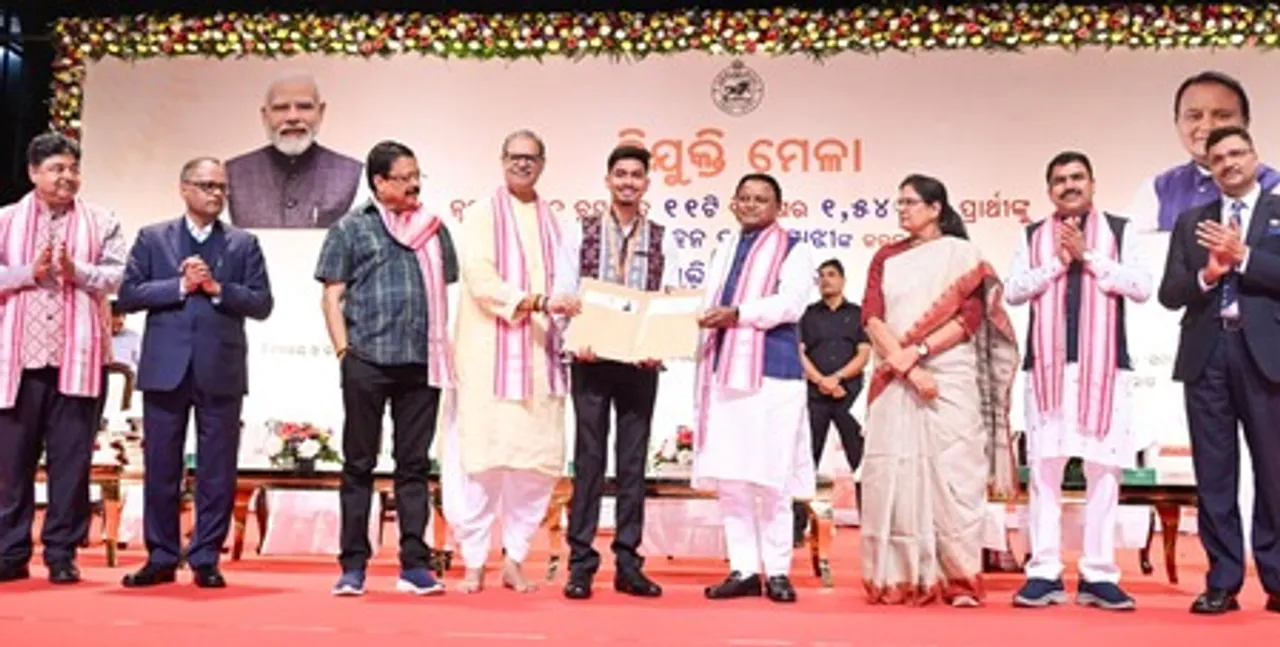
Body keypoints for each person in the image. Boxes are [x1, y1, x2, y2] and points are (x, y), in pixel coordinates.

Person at [859, 174, 1019, 607]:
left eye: (910, 202)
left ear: (935, 209)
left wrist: (919, 352)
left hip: (948, 375)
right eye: (899, 203)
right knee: (892, 474)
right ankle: (899, 577)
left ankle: (958, 578)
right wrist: (908, 367)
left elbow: (969, 319)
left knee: (954, 475)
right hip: (897, 375)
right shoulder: (886, 257)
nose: (902, 210)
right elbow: (872, 317)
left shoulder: (961, 255)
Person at [117, 157, 273, 588]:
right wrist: (181, 287)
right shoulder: (153, 238)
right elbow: (128, 294)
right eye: (207, 185)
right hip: (165, 369)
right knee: (161, 466)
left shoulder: (243, 243)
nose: (216, 194)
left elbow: (262, 303)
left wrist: (217, 289)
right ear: (184, 189)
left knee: (217, 469)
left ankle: (206, 557)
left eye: (222, 187)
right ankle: (161, 556)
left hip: (220, 368)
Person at [1006, 152, 1152, 611]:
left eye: (1077, 177)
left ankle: (1099, 574)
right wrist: (1057, 262)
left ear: (1092, 183)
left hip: (1105, 369)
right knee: (1044, 471)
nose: (1069, 186)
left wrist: (1087, 256)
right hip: (1046, 370)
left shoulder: (1121, 231)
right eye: (1059, 180)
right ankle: (1043, 571)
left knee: (1103, 471)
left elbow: (1141, 287)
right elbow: (1013, 291)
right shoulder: (1032, 235)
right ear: (1049, 190)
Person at [315, 141, 457, 596]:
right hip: (367, 361)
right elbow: (331, 296)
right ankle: (352, 567)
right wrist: (344, 353)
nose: (414, 185)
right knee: (358, 465)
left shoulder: (433, 228)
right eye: (404, 177)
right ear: (379, 182)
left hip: (421, 361)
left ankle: (415, 566)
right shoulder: (350, 228)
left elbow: (447, 283)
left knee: (414, 466)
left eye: (417, 176)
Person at [444, 130, 576, 594]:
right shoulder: (481, 214)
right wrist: (535, 301)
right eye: (515, 157)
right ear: (502, 161)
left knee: (535, 468)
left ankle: (515, 558)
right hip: (488, 358)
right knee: (482, 463)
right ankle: (473, 561)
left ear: (543, 163)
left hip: (541, 359)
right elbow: (479, 279)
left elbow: (571, 284)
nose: (523, 164)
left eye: (531, 157)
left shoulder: (556, 221)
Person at [1158, 126, 1280, 615]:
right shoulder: (1192, 221)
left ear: (1254, 157)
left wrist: (1244, 257)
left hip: (1265, 356)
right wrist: (1208, 275)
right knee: (1214, 474)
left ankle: (1277, 579)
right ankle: (1222, 581)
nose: (1229, 163)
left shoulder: (1278, 211)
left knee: (1274, 471)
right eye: (1219, 158)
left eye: (1237, 153)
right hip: (1206, 355)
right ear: (1208, 168)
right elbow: (1170, 293)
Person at [551, 145, 678, 600]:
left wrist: (659, 346)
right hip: (591, 360)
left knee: (632, 465)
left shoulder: (663, 237)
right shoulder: (580, 230)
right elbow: (563, 291)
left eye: (636, 175)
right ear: (608, 180)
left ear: (646, 183)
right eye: (620, 174)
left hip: (640, 364)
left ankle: (628, 563)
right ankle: (581, 565)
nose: (628, 182)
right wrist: (573, 337)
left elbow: (669, 299)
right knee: (588, 462)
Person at [0, 133, 126, 585]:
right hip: (16, 362)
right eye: (56, 168)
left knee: (71, 465)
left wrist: (78, 272)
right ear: (33, 172)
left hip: (79, 359)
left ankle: (61, 553)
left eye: (73, 168)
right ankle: (9, 552)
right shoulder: (5, 220)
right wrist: (25, 274)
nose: (67, 177)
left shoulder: (102, 221)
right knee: (10, 466)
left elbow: (120, 276)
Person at [693, 173, 813, 604]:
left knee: (772, 477)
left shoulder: (795, 249)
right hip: (725, 371)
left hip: (773, 374)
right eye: (744, 198)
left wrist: (738, 313)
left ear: (778, 207)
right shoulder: (724, 247)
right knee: (733, 477)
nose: (750, 205)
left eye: (761, 199)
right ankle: (743, 568)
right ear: (733, 203)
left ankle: (777, 570)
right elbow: (706, 303)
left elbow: (792, 303)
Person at [1130, 71, 1280, 234]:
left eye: (1222, 115)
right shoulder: (1157, 190)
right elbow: (1134, 246)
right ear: (1177, 122)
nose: (1207, 126)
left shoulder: (1274, 187)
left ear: (1245, 122)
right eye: (1194, 116)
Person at [225, 74, 364, 228]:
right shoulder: (232, 174)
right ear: (265, 115)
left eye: (304, 107)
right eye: (281, 108)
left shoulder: (354, 175)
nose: (292, 117)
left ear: (321, 112)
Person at [795, 258, 870, 544]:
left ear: (843, 280)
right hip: (815, 395)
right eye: (822, 276)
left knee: (860, 459)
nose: (826, 280)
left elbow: (864, 354)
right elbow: (800, 353)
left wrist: (836, 379)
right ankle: (796, 528)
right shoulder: (807, 315)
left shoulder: (858, 314)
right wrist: (821, 381)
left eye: (832, 274)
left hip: (849, 396)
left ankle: (871, 526)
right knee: (806, 459)